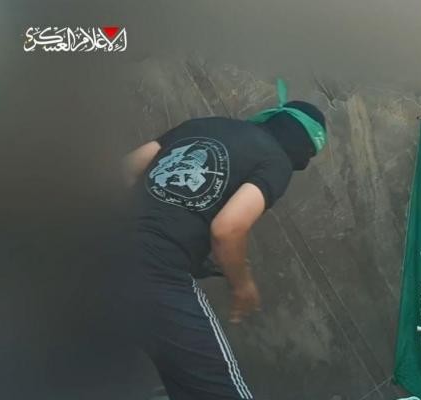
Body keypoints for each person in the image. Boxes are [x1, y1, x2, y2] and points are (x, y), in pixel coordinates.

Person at [121, 82, 327, 400]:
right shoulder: (276, 161)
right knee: (218, 389)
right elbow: (228, 229)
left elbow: (125, 169)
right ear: (303, 149)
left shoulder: (203, 125)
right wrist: (242, 284)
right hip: (158, 271)